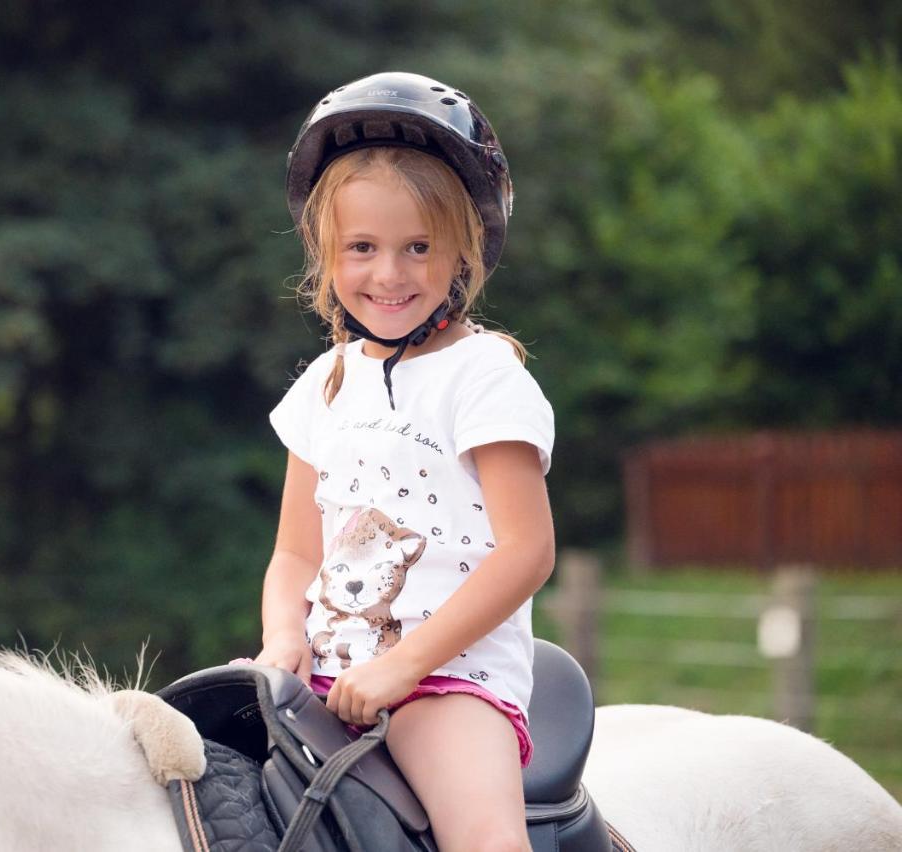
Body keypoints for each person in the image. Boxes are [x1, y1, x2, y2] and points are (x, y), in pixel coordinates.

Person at [253, 71, 555, 852]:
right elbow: (294, 552)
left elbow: (527, 552)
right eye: (363, 248)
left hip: (449, 680)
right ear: (327, 253)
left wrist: (404, 667)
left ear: (464, 247)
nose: (389, 274)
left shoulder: (484, 375)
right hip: (323, 675)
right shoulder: (326, 383)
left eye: (418, 247)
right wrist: (283, 639)